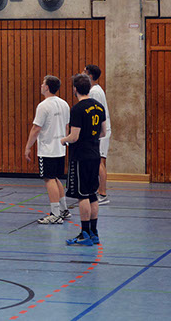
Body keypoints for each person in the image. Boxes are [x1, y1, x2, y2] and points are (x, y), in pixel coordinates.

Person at [61, 74, 107, 246]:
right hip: (95, 154)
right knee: (92, 194)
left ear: (75, 89)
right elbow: (103, 132)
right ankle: (94, 233)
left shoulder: (77, 109)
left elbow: (74, 136)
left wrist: (63, 140)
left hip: (81, 156)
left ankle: (84, 233)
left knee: (82, 196)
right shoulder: (99, 106)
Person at [23, 75, 71, 224]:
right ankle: (63, 209)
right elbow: (67, 126)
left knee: (49, 179)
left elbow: (36, 128)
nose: (41, 86)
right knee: (55, 178)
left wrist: (28, 147)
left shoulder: (43, 106)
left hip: (48, 149)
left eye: (43, 84)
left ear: (47, 87)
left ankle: (55, 214)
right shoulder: (64, 104)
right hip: (60, 148)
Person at [84, 64, 112, 205]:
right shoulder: (96, 90)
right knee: (99, 161)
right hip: (101, 131)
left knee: (99, 162)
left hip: (101, 132)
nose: (82, 73)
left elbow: (96, 112)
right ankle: (98, 191)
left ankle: (102, 194)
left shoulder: (94, 92)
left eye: (84, 72)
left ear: (90, 76)